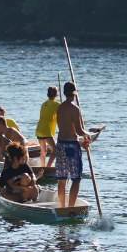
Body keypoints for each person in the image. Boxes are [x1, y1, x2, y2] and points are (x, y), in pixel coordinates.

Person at [55, 81, 93, 210]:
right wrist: (90, 134)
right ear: (74, 94)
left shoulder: (59, 108)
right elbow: (79, 131)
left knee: (61, 179)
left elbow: (65, 128)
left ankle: (61, 207)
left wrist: (83, 137)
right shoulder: (75, 109)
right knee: (75, 179)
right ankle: (70, 208)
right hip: (71, 147)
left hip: (60, 145)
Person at [35, 86, 61, 173]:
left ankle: (42, 167)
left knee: (43, 151)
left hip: (39, 129)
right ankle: (48, 168)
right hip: (46, 131)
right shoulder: (57, 104)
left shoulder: (44, 104)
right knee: (55, 150)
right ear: (56, 95)